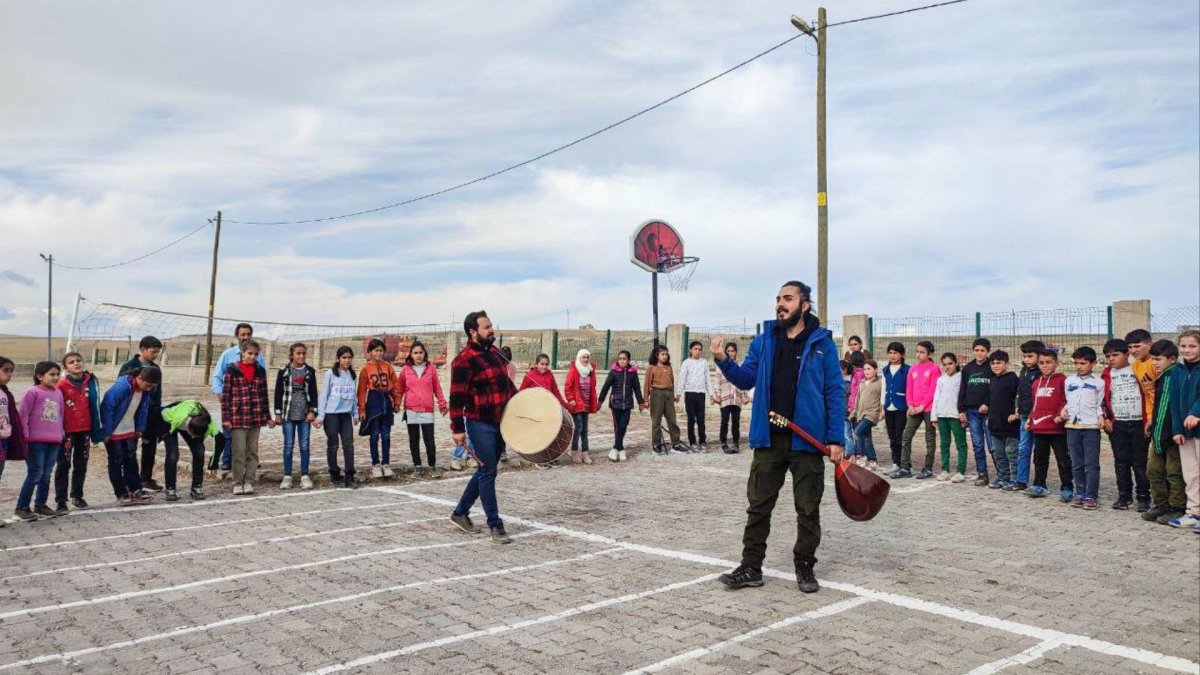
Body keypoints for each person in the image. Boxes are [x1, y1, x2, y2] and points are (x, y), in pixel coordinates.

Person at [713, 280, 844, 594]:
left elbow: (834, 392)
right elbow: (746, 379)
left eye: (787, 298)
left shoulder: (823, 343)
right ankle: (751, 566)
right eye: (777, 299)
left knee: (807, 509)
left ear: (805, 304)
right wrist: (723, 361)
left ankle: (804, 565)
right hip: (769, 439)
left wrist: (836, 438)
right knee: (758, 506)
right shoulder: (764, 340)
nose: (780, 304)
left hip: (807, 441)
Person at [449, 310, 518, 544]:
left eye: (491, 326)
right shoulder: (463, 361)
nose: (492, 330)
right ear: (473, 332)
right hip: (480, 423)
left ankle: (459, 513)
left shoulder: (496, 354)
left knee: (485, 471)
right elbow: (456, 398)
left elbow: (506, 385)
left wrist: (522, 404)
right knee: (489, 471)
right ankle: (496, 525)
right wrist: (457, 429)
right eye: (487, 327)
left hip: (502, 421)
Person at [99, 366, 161, 506]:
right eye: (147, 385)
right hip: (114, 431)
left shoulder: (145, 391)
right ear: (139, 378)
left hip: (130, 431)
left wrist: (140, 428)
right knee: (116, 463)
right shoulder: (121, 387)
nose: (149, 389)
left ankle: (136, 489)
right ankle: (121, 493)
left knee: (131, 461)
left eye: (152, 386)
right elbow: (107, 408)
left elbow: (143, 410)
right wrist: (107, 431)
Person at [210, 323, 266, 475]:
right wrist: (220, 393)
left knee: (250, 435)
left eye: (248, 334)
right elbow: (217, 376)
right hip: (233, 403)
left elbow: (262, 378)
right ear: (237, 336)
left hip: (252, 405)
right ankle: (228, 461)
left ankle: (251, 462)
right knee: (230, 433)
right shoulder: (227, 355)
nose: (245, 337)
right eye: (243, 334)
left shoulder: (258, 357)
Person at [1101, 338, 1150, 511]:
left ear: (1127, 354)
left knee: (1140, 462)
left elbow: (1149, 394)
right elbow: (1103, 399)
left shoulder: (1137, 369)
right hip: (1118, 424)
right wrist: (1106, 417)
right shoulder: (1107, 374)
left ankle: (1143, 497)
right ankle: (1124, 496)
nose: (1111, 359)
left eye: (1115, 355)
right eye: (1108, 356)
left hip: (1138, 422)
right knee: (1121, 461)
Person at [15, 361, 67, 521]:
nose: (56, 377)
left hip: (54, 441)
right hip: (35, 441)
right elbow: (22, 416)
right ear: (39, 376)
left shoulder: (58, 393)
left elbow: (60, 416)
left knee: (46, 475)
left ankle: (41, 505)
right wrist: (25, 437)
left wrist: (62, 435)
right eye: (52, 374)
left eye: (57, 374)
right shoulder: (31, 393)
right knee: (35, 473)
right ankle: (22, 508)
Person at [220, 339, 272, 496]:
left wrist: (267, 416)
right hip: (238, 418)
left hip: (255, 417)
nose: (252, 357)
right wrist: (226, 418)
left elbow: (264, 395)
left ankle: (249, 480)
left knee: (252, 451)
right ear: (242, 353)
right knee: (239, 451)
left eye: (256, 354)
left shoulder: (260, 370)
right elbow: (226, 395)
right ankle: (237, 482)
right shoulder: (232, 369)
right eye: (249, 353)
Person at [1143, 339, 1186, 525]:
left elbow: (1168, 409)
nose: (1154, 363)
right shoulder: (1164, 375)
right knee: (1154, 471)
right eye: (1153, 359)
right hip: (1159, 432)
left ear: (1172, 358)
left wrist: (1161, 434)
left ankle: (1177, 508)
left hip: (1170, 435)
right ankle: (1161, 504)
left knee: (1173, 472)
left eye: (1158, 359)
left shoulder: (1172, 375)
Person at [55, 351, 104, 512]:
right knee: (63, 465)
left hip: (85, 430)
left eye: (78, 360)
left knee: (81, 464)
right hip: (67, 431)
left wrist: (98, 429)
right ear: (66, 367)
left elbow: (95, 406)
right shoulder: (60, 385)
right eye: (71, 362)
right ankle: (61, 501)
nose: (76, 363)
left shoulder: (91, 381)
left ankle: (77, 495)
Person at [1024, 349, 1072, 500]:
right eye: (1041, 363)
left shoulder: (1062, 380)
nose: (1045, 366)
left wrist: (1060, 414)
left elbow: (1065, 400)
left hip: (1057, 429)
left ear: (1057, 363)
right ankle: (1040, 485)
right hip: (1039, 428)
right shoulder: (1036, 383)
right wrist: (1030, 419)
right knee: (1039, 459)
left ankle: (1067, 487)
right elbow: (1035, 404)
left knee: (1063, 460)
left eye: (1048, 362)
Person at [1063, 346, 1106, 509]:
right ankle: (1079, 492)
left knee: (1091, 463)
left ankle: (1091, 495)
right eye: (1076, 363)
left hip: (1091, 427)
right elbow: (1068, 400)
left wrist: (1101, 416)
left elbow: (1100, 404)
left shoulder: (1099, 383)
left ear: (1093, 364)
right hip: (1072, 426)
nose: (1079, 366)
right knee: (1076, 462)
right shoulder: (1069, 381)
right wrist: (1064, 409)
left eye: (1083, 363)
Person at [119, 336, 164, 491]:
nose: (155, 355)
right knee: (129, 448)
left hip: (150, 413)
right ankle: (129, 481)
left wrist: (156, 411)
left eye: (158, 352)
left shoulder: (156, 369)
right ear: (143, 349)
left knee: (149, 446)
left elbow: (158, 393)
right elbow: (122, 390)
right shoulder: (129, 366)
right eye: (153, 351)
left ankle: (146, 478)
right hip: (132, 414)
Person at [1166, 329, 1200, 531]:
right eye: (1184, 346)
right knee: (1191, 473)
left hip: (1197, 427)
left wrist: (1196, 412)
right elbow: (1174, 403)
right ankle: (1193, 512)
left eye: (1193, 346)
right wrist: (1177, 429)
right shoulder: (1177, 371)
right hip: (1185, 432)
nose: (1187, 350)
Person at [274, 343, 318, 490]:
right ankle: (287, 476)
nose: (301, 356)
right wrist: (278, 413)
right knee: (288, 445)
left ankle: (305, 475)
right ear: (292, 355)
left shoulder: (310, 371)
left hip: (304, 416)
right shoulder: (284, 371)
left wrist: (312, 411)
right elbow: (278, 393)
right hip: (288, 415)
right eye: (298, 353)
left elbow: (313, 393)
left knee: (304, 445)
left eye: (304, 353)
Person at [358, 338, 404, 478]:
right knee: (374, 434)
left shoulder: (388, 367)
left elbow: (396, 386)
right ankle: (375, 464)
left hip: (386, 401)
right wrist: (362, 409)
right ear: (370, 352)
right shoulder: (365, 369)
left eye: (381, 351)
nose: (379, 353)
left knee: (386, 434)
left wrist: (396, 402)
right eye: (376, 351)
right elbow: (361, 391)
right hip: (373, 402)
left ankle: (386, 463)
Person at [400, 340, 448, 476]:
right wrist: (396, 404)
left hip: (427, 410)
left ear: (424, 354)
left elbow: (437, 388)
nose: (418, 355)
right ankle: (417, 466)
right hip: (411, 410)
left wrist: (442, 404)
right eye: (415, 353)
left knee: (429, 439)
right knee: (414, 440)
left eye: (421, 352)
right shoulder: (405, 370)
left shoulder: (431, 369)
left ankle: (432, 466)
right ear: (411, 354)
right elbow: (400, 389)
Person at [316, 346, 359, 488]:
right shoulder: (330, 374)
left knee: (348, 445)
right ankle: (334, 474)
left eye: (349, 357)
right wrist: (321, 416)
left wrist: (355, 414)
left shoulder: (352, 375)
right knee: (333, 445)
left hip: (345, 415)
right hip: (331, 415)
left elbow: (354, 397)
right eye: (344, 357)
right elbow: (324, 396)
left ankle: (350, 476)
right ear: (338, 359)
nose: (347, 360)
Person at [160, 399, 218, 500]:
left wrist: (214, 463)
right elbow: (160, 414)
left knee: (199, 451)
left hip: (193, 423)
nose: (192, 438)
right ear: (189, 429)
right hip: (169, 421)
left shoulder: (208, 424)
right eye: (192, 435)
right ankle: (170, 489)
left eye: (196, 436)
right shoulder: (176, 417)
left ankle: (196, 487)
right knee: (173, 454)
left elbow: (220, 441)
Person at [519, 353, 570, 469]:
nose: (544, 367)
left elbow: (556, 392)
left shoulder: (550, 375)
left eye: (546, 364)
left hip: (549, 410)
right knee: (539, 436)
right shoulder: (529, 376)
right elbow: (522, 393)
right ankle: (540, 460)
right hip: (535, 412)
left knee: (550, 435)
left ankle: (550, 458)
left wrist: (565, 406)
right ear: (536, 364)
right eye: (542, 364)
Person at [899, 340, 939, 479]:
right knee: (906, 436)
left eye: (922, 352)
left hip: (927, 408)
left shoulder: (934, 369)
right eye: (917, 351)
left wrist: (922, 406)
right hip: (914, 409)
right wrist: (910, 405)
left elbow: (933, 390)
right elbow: (908, 388)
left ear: (929, 353)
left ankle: (928, 468)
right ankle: (905, 467)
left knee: (929, 438)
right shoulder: (913, 369)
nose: (918, 355)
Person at [958, 338, 995, 486]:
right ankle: (982, 474)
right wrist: (961, 409)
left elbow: (994, 389)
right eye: (977, 350)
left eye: (983, 350)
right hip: (972, 412)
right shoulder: (967, 369)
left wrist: (987, 403)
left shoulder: (992, 366)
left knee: (992, 445)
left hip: (988, 412)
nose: (979, 353)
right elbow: (963, 389)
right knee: (978, 445)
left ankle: (1003, 474)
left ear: (988, 352)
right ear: (973, 351)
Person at [598, 350, 645, 462]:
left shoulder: (632, 372)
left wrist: (640, 402)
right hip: (615, 404)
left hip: (627, 404)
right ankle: (619, 448)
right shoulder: (614, 371)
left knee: (623, 426)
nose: (622, 360)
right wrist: (600, 401)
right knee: (617, 427)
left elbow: (637, 388)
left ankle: (616, 447)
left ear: (628, 360)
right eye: (620, 358)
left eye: (624, 359)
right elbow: (606, 387)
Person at [986, 351, 1022, 490]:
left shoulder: (1012, 378)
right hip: (995, 424)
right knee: (999, 454)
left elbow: (1018, 397)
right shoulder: (992, 379)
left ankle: (1015, 479)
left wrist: (1016, 412)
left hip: (1010, 425)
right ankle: (1003, 478)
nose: (995, 366)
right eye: (993, 363)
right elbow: (991, 400)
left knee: (1012, 453)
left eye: (999, 363)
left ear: (1006, 363)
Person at [644, 345, 687, 454]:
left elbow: (672, 382)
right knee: (656, 422)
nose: (665, 356)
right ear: (657, 355)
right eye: (662, 354)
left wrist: (673, 395)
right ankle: (656, 445)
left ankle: (675, 444)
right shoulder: (651, 368)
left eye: (666, 354)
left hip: (668, 395)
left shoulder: (669, 367)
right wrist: (645, 399)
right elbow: (646, 384)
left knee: (672, 420)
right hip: (656, 394)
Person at [1015, 340, 1045, 489]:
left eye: (1030, 356)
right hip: (1024, 416)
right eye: (1025, 356)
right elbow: (1021, 393)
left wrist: (1033, 415)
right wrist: (1018, 409)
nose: (1026, 359)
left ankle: (1040, 482)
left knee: (1039, 452)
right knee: (1023, 448)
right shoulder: (1024, 371)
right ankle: (1021, 480)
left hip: (1039, 417)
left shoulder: (1041, 373)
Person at [933, 352, 967, 482]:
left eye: (950, 363)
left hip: (956, 415)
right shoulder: (941, 379)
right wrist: (934, 416)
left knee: (961, 444)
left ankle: (960, 471)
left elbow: (965, 396)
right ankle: (945, 470)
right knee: (944, 444)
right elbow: (936, 397)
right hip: (942, 415)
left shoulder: (962, 377)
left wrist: (964, 414)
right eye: (944, 364)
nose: (947, 367)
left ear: (956, 363)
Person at [0, 356, 25, 527]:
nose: (10, 374)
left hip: (4, 439)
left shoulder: (5, 392)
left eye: (11, 371)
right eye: (5, 370)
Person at [564, 349, 599, 464]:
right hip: (577, 404)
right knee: (579, 428)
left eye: (587, 357)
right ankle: (573, 450)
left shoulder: (591, 370)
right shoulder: (574, 370)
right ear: (579, 358)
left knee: (585, 429)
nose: (585, 360)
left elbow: (593, 387)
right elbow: (567, 387)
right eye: (583, 357)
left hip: (586, 404)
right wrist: (571, 399)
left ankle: (585, 452)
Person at [713, 342, 750, 454]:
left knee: (736, 422)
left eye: (732, 351)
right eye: (728, 351)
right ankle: (723, 443)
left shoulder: (740, 366)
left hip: (736, 398)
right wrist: (716, 395)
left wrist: (745, 396)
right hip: (724, 398)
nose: (730, 353)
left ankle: (735, 443)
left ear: (736, 352)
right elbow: (716, 382)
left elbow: (743, 381)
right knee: (724, 421)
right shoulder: (721, 366)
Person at [880, 342, 909, 473]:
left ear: (901, 354)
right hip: (888, 406)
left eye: (895, 353)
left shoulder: (908, 369)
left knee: (900, 436)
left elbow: (910, 388)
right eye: (890, 353)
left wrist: (909, 405)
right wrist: (882, 407)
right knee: (892, 437)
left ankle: (904, 463)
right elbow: (883, 389)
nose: (892, 356)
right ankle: (895, 463)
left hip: (901, 406)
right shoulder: (885, 369)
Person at [677, 341, 712, 451]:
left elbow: (707, 379)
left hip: (701, 394)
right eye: (695, 349)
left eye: (699, 349)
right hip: (690, 393)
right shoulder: (686, 363)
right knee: (691, 419)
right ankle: (692, 442)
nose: (697, 351)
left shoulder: (704, 363)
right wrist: (678, 393)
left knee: (701, 419)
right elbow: (682, 378)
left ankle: (702, 441)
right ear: (690, 350)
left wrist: (711, 394)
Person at [851, 359, 883, 471]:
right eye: (865, 369)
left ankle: (860, 456)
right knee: (866, 437)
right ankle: (872, 460)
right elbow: (857, 399)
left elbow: (882, 399)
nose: (866, 371)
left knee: (857, 432)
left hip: (872, 414)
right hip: (861, 414)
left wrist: (881, 412)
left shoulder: (880, 383)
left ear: (876, 369)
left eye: (869, 369)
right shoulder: (862, 383)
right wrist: (853, 413)